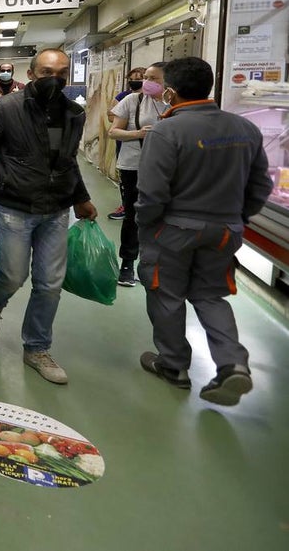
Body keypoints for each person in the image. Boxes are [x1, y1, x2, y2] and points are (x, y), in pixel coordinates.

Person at [135, 57, 272, 406]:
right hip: (225, 230)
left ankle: (174, 365)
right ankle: (233, 363)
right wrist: (235, 218)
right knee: (211, 296)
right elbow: (259, 186)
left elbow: (152, 192)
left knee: (166, 294)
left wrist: (146, 226)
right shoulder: (245, 129)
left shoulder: (166, 131)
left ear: (170, 92)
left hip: (174, 229)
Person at [0, 48, 98, 385]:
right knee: (13, 275)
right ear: (32, 74)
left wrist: (81, 197)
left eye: (62, 73)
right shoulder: (6, 110)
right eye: (47, 71)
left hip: (56, 209)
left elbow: (66, 162)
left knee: (50, 283)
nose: (55, 79)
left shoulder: (73, 114)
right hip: (14, 207)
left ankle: (36, 348)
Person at [107, 62, 167, 286]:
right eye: (146, 78)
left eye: (154, 78)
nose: (147, 83)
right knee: (134, 215)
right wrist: (138, 133)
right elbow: (113, 131)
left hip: (166, 169)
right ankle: (127, 263)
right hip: (134, 166)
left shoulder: (176, 104)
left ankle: (154, 263)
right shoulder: (134, 100)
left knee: (163, 216)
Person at [107, 67, 147, 220]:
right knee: (129, 184)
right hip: (127, 146)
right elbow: (111, 117)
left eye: (140, 78)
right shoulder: (126, 98)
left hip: (150, 154)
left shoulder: (161, 101)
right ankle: (126, 206)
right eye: (133, 78)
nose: (136, 81)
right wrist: (132, 127)